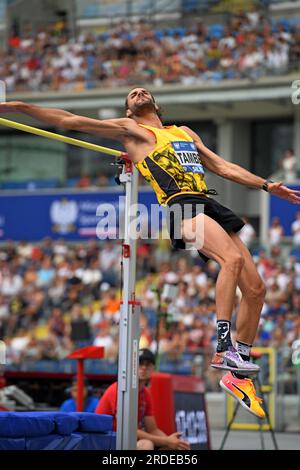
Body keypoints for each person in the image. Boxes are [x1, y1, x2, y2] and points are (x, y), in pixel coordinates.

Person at [1, 88, 300, 419]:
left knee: (256, 289)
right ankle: (223, 348)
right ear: (129, 110)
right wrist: (17, 105)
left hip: (207, 202)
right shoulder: (131, 131)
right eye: (132, 94)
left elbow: (222, 166)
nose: (139, 92)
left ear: (156, 104)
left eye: (143, 90)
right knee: (232, 260)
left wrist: (266, 185)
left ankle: (237, 373)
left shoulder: (183, 132)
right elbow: (69, 119)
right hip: (179, 207)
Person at [95, 348, 190, 450]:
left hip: (123, 439)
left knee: (172, 448)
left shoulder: (145, 393)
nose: (144, 367)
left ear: (153, 368)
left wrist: (175, 443)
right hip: (105, 440)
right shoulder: (119, 389)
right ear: (132, 366)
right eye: (140, 363)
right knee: (146, 445)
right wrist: (167, 441)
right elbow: (129, 430)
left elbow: (152, 429)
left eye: (148, 364)